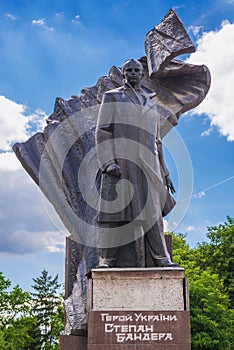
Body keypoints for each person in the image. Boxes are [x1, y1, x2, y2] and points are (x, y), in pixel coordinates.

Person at [95, 59, 179, 268]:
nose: (133, 73)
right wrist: (107, 163)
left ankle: (162, 259)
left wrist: (165, 171)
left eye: (136, 70)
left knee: (152, 214)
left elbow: (157, 140)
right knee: (118, 213)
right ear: (123, 74)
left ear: (142, 74)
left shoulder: (151, 101)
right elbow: (102, 130)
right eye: (129, 70)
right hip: (122, 164)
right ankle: (107, 260)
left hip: (150, 165)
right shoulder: (112, 96)